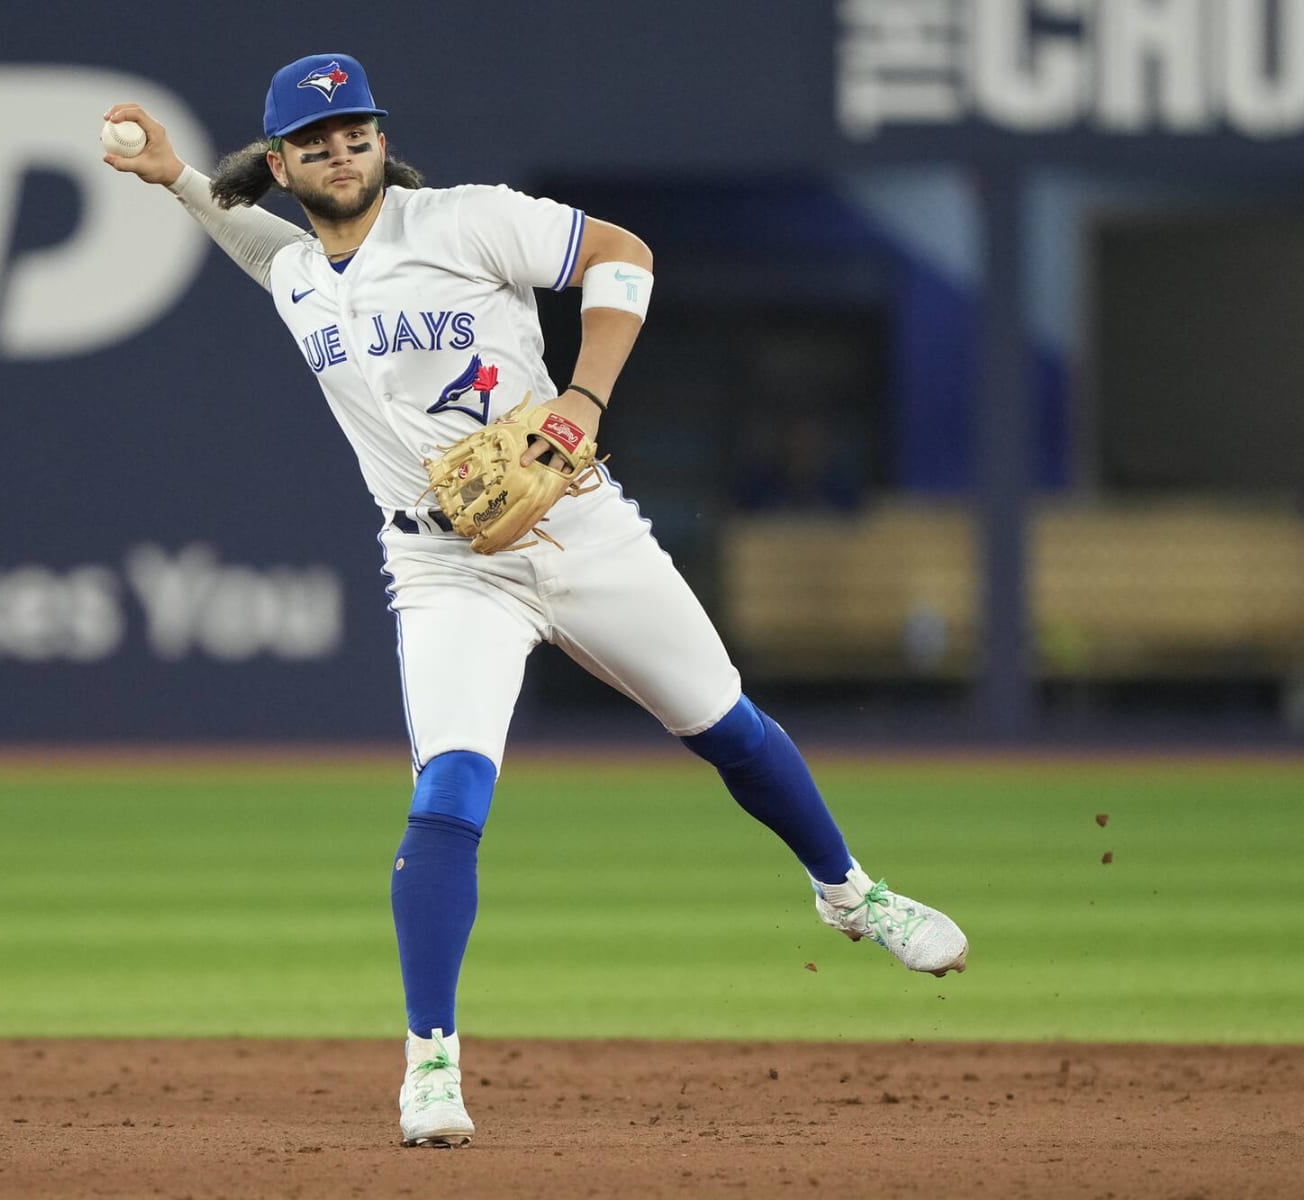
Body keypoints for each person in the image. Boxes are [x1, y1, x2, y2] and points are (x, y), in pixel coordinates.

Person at [103, 52, 968, 1149]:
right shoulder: (299, 276)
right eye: (313, 141)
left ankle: (849, 892)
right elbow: (266, 251)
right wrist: (182, 179)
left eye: (354, 130)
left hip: (581, 524)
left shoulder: (466, 221)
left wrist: (580, 397)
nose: (339, 149)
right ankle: (429, 1065)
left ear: (380, 138)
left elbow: (623, 255)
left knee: (723, 723)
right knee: (449, 792)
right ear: (280, 163)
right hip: (444, 568)